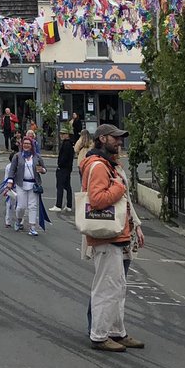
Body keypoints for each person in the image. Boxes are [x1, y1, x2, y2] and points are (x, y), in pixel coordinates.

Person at [80, 124, 144, 353]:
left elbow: (123, 202)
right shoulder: (98, 166)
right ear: (102, 139)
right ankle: (99, 335)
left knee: (117, 286)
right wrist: (118, 187)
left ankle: (117, 332)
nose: (119, 142)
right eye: (115, 138)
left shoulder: (109, 164)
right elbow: (97, 200)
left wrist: (135, 225)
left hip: (117, 234)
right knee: (107, 287)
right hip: (106, 236)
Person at [4, 134, 46, 236]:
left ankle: (32, 227)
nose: (26, 145)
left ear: (32, 145)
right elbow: (12, 170)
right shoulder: (17, 156)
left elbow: (44, 169)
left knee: (32, 206)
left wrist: (42, 170)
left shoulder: (37, 157)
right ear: (22, 145)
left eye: (28, 144)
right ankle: (19, 220)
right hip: (21, 184)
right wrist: (10, 182)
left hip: (33, 184)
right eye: (25, 143)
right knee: (21, 206)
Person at [50, 133, 75, 213]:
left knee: (60, 186)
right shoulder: (70, 144)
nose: (61, 136)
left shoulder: (66, 144)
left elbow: (64, 157)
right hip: (68, 168)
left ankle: (58, 205)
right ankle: (69, 205)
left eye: (63, 134)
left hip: (63, 168)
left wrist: (60, 165)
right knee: (67, 187)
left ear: (67, 135)